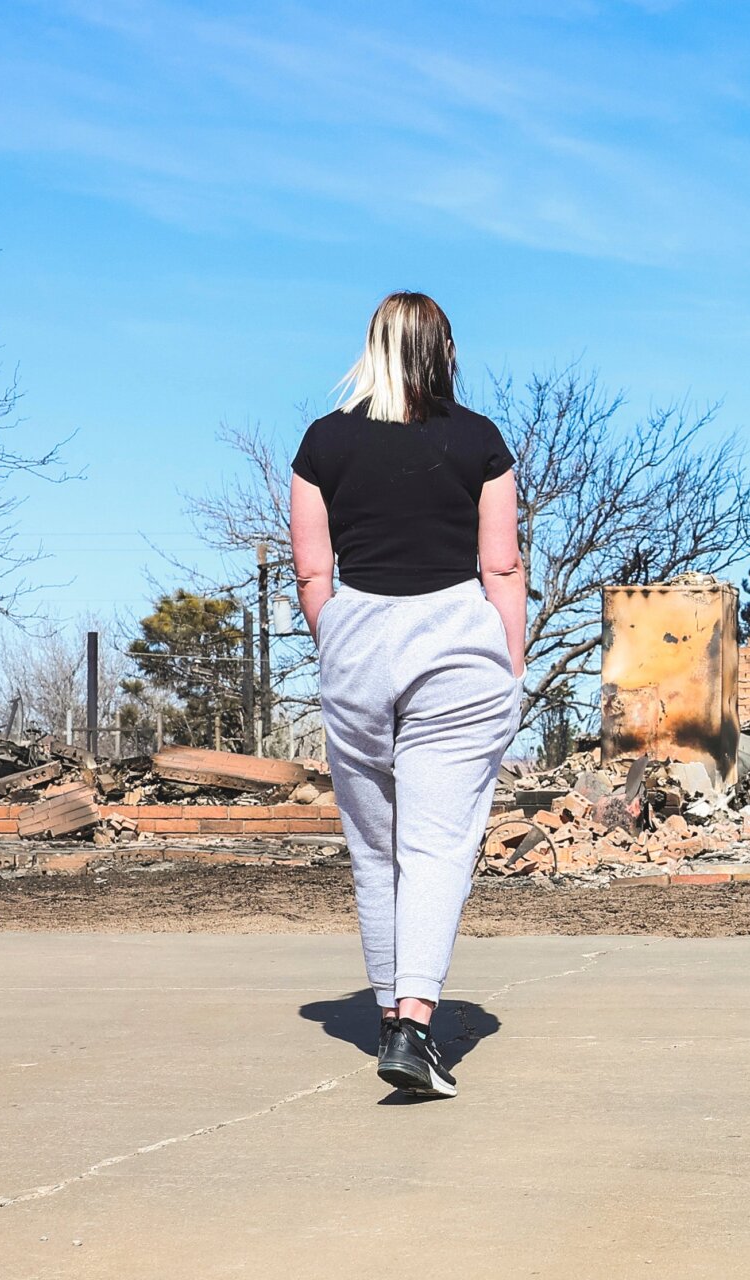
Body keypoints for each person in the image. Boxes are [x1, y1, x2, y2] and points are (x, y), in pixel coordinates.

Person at [288, 291, 525, 1098]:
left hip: (355, 641)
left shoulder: (323, 444)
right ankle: (416, 1026)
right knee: (436, 844)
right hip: (457, 643)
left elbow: (313, 573)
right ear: (446, 352)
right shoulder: (482, 441)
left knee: (376, 849)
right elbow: (500, 568)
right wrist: (512, 663)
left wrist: (344, 640)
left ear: (373, 348)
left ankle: (392, 1016)